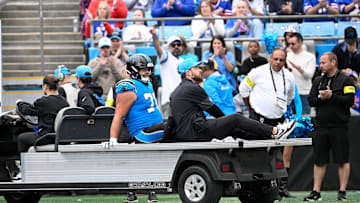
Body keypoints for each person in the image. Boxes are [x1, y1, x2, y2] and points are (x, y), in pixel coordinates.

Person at [164, 58, 296, 142]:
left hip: (188, 134)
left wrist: (164, 141)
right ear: (188, 73)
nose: (201, 70)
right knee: (235, 119)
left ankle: (267, 137)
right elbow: (213, 110)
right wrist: (224, 121)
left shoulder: (175, 92)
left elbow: (171, 121)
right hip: (196, 133)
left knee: (233, 128)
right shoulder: (192, 88)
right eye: (197, 68)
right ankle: (274, 131)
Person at [239, 48, 296, 198]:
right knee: (259, 156)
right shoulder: (257, 72)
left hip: (278, 121)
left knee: (279, 156)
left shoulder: (289, 76)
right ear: (270, 59)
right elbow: (243, 90)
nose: (278, 62)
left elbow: (290, 98)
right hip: (259, 120)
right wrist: (252, 109)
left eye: (281, 60)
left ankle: (280, 189)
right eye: (275, 59)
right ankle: (257, 190)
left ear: (285, 61)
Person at [108, 54, 163, 202]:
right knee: (174, 125)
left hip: (154, 128)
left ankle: (146, 192)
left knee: (147, 161)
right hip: (143, 132)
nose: (147, 72)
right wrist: (113, 140)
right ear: (133, 70)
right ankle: (138, 192)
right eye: (143, 69)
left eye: (148, 69)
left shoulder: (148, 83)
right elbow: (118, 116)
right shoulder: (128, 87)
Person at [304, 52, 355, 201]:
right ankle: (316, 191)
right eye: (321, 62)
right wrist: (322, 97)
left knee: (342, 160)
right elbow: (311, 100)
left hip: (340, 126)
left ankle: (342, 191)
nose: (321, 65)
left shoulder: (347, 80)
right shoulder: (318, 80)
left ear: (333, 62)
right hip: (321, 126)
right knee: (319, 160)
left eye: (324, 62)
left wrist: (332, 96)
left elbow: (349, 100)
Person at [17, 74, 69, 153]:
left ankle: (23, 164)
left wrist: (19, 103)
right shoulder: (64, 102)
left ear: (45, 86)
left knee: (21, 138)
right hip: (61, 137)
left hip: (46, 137)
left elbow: (27, 110)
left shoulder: (43, 102)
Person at [149, 26, 183, 118]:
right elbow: (158, 48)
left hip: (182, 100)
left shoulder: (182, 61)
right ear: (169, 47)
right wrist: (154, 36)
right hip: (169, 100)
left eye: (178, 45)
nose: (176, 47)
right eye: (173, 45)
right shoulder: (166, 57)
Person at [287, 32, 316, 115]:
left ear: (300, 43)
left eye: (293, 44)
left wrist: (298, 68)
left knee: (304, 120)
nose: (291, 46)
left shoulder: (310, 57)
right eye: (289, 44)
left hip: (304, 93)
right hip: (290, 93)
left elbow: (309, 75)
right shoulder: (287, 56)